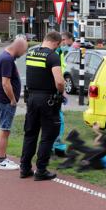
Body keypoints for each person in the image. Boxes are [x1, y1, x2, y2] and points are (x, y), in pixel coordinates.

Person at [19, 31, 65, 181]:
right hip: (47, 101)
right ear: (56, 43)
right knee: (48, 135)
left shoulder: (31, 54)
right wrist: (62, 92)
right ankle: (41, 170)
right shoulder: (53, 56)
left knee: (30, 134)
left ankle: (25, 168)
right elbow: (59, 81)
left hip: (31, 99)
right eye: (59, 45)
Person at [0, 35, 28, 170]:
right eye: (23, 51)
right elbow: (5, 83)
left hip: (1, 99)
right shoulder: (7, 59)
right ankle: (1, 161)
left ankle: (4, 158)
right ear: (18, 47)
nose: (23, 54)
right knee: (5, 129)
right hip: (5, 101)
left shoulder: (6, 57)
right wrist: (12, 100)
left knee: (5, 129)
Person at [52, 31, 75, 156]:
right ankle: (58, 147)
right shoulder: (57, 52)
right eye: (63, 40)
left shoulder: (59, 52)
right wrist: (63, 91)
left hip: (51, 90)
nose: (65, 43)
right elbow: (58, 74)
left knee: (53, 120)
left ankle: (51, 146)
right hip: (55, 90)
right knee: (58, 120)